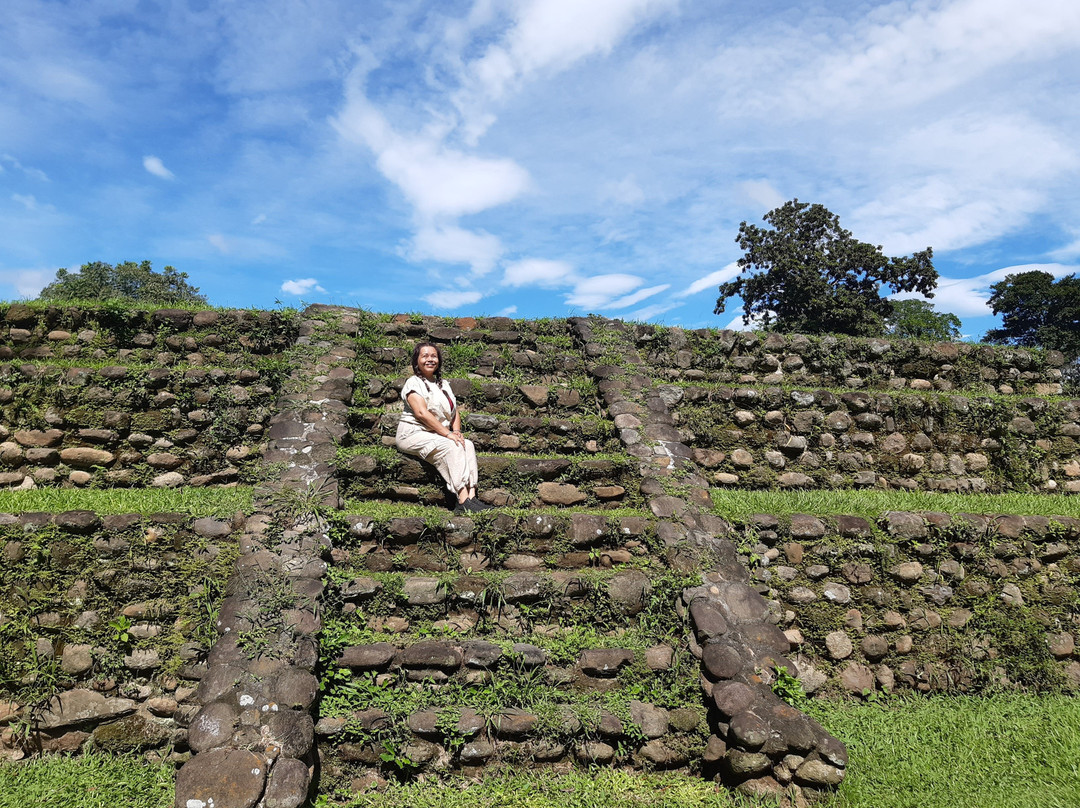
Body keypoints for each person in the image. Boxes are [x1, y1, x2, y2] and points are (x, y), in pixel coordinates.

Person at [395, 342, 492, 513]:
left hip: (437, 433)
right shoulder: (413, 383)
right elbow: (421, 413)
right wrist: (448, 435)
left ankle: (472, 497)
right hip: (412, 434)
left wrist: (456, 432)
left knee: (466, 444)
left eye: (434, 356)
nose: (430, 359)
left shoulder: (443, 384)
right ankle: (462, 502)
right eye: (424, 356)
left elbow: (454, 412)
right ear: (416, 361)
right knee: (452, 446)